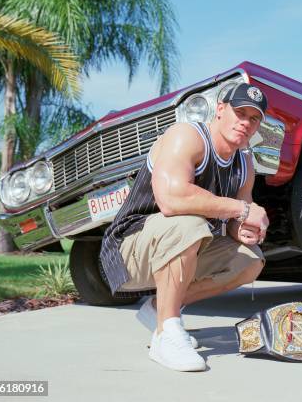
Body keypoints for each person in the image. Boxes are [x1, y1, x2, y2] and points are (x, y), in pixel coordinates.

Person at [99, 83, 270, 372]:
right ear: (219, 110)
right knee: (187, 222)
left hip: (185, 244)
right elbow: (172, 199)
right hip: (128, 250)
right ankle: (166, 334)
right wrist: (242, 209)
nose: (245, 122)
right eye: (239, 112)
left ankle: (159, 309)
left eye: (254, 119)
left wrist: (245, 228)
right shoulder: (187, 136)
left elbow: (234, 220)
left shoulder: (245, 161)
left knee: (250, 260)